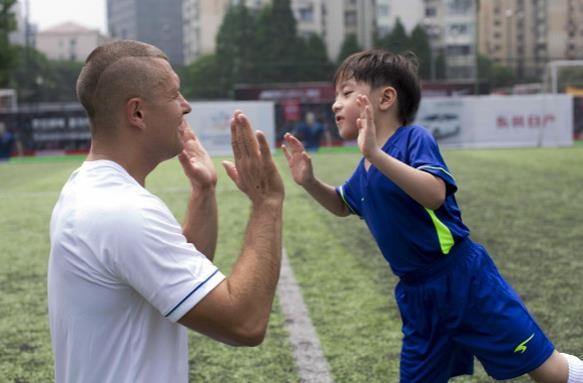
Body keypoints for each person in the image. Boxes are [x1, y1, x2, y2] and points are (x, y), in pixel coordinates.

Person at [282, 48, 583, 383]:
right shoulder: (364, 168)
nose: (335, 103)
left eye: (347, 93)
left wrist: (375, 154)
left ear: (385, 99)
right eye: (335, 95)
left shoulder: (413, 139)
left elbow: (434, 193)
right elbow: (342, 204)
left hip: (464, 281)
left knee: (546, 371)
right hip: (417, 297)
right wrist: (309, 181)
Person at [48, 40, 284, 383]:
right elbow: (244, 322)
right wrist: (268, 203)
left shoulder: (87, 189)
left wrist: (203, 192)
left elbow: (170, 279)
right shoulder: (122, 210)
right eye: (174, 95)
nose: (186, 107)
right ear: (137, 113)